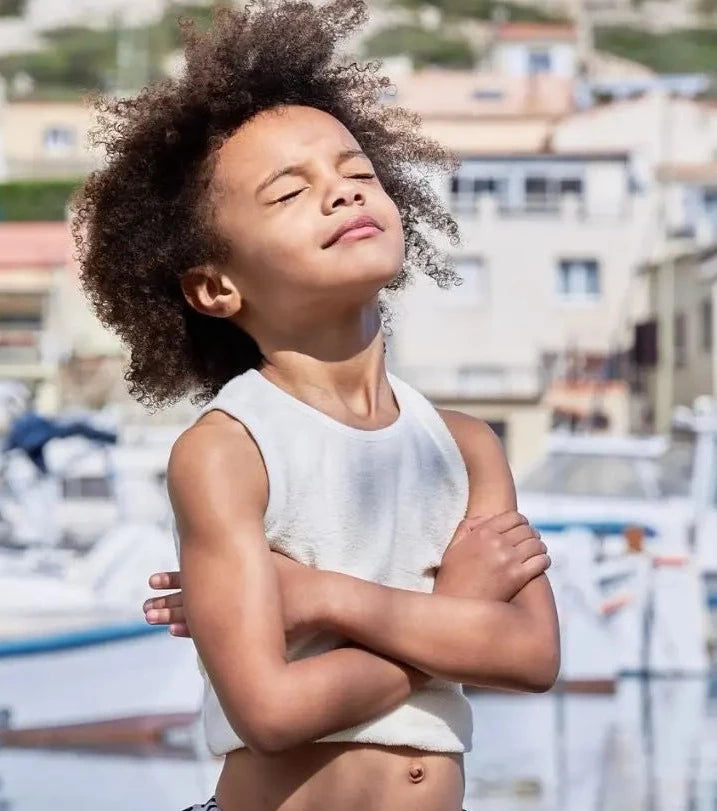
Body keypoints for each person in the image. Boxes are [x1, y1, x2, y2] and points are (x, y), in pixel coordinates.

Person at [71, 2, 560, 809]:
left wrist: (328, 596)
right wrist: (454, 614)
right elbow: (270, 711)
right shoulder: (230, 449)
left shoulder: (466, 447)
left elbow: (532, 654)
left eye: (357, 173)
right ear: (215, 286)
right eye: (290, 192)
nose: (342, 195)